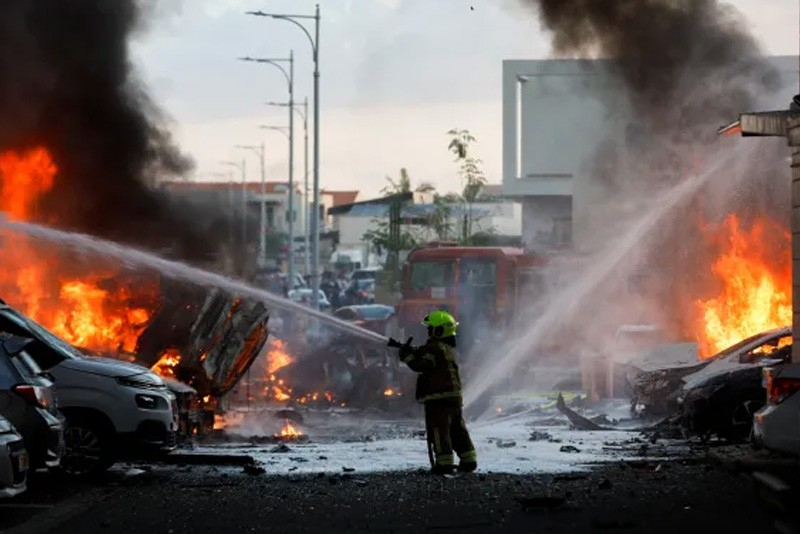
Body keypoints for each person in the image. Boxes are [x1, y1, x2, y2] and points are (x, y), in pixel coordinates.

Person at [391, 310, 477, 475]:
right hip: (454, 397)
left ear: (439, 331)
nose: (428, 332)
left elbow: (421, 365)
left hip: (438, 398)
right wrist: (412, 350)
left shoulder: (435, 348)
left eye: (430, 329)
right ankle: (469, 460)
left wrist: (407, 357)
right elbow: (427, 354)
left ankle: (443, 463)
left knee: (439, 429)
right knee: (458, 429)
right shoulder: (447, 349)